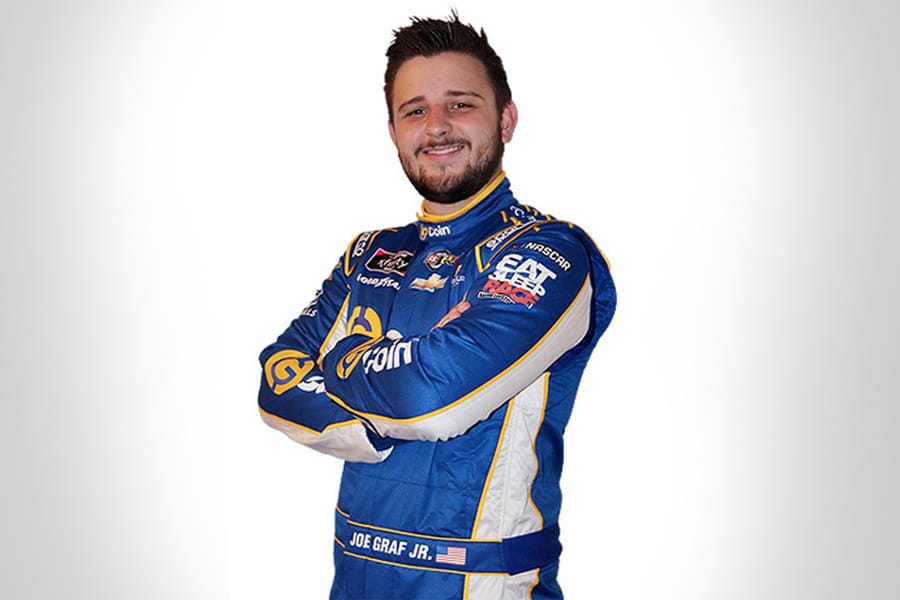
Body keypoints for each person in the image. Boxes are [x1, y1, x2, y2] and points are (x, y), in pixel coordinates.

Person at [258, 12, 616, 599]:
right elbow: (277, 382)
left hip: (481, 584)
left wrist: (343, 359)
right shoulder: (368, 254)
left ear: (506, 119)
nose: (437, 127)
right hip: (354, 578)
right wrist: (385, 385)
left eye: (461, 104)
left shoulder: (552, 252)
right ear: (394, 131)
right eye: (415, 110)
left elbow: (432, 402)